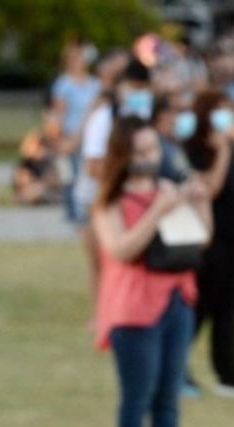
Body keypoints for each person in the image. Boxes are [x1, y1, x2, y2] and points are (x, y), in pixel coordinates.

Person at [91, 116, 210, 427]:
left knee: (168, 397)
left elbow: (200, 238)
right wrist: (156, 211)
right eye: (140, 151)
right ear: (122, 155)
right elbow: (121, 250)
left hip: (177, 299)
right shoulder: (109, 201)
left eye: (153, 149)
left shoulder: (167, 189)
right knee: (137, 397)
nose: (149, 158)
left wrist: (200, 201)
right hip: (133, 307)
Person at [183, 89, 234, 401]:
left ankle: (228, 371)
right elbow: (209, 190)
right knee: (202, 307)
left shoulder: (232, 149)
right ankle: (177, 363)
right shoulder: (198, 152)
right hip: (211, 243)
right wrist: (224, 151)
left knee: (227, 311)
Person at [77, 59, 155, 311]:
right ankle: (101, 312)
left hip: (130, 196)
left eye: (143, 88)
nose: (138, 93)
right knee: (99, 259)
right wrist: (126, 175)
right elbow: (92, 166)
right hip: (99, 194)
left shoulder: (143, 117)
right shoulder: (104, 117)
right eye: (133, 87)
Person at [51, 40, 103, 222]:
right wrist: (59, 137)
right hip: (71, 135)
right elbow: (59, 112)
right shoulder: (64, 84)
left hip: (91, 135)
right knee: (71, 174)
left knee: (88, 173)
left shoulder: (95, 84)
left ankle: (85, 210)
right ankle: (74, 213)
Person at [12, 126, 61, 206]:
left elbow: (54, 182)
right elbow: (23, 185)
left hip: (48, 192)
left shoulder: (49, 163)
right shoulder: (26, 166)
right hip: (34, 191)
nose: (41, 150)